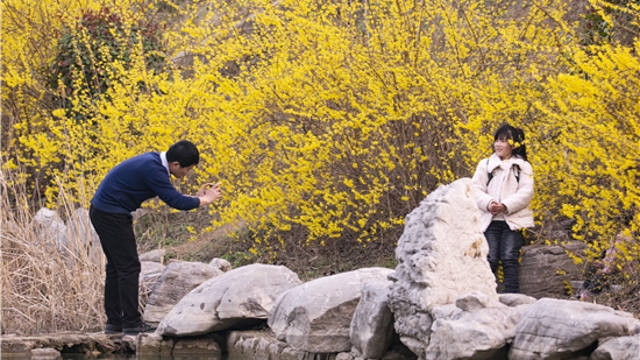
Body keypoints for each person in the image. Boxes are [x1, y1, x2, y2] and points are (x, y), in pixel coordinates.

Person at [89, 140, 222, 337]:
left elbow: (171, 195)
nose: (188, 174)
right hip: (111, 214)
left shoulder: (153, 163)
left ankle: (116, 323)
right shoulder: (154, 170)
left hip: (103, 211)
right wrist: (206, 200)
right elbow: (176, 202)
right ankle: (131, 325)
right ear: (175, 164)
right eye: (188, 169)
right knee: (128, 267)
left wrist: (196, 197)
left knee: (117, 268)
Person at [472, 124, 534, 293]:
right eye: (498, 140)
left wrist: (505, 206)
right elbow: (475, 189)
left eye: (504, 141)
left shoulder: (522, 167)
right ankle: (484, 296)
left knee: (509, 258)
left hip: (512, 221)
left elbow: (526, 192)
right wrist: (489, 203)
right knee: (489, 258)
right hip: (489, 221)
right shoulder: (485, 165)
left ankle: (513, 297)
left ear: (514, 145)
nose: (499, 145)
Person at [579, 230, 637, 301]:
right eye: (617, 239)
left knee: (602, 276)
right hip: (612, 272)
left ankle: (589, 294)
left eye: (620, 239)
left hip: (623, 276)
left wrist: (603, 271)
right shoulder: (612, 248)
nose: (618, 241)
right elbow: (607, 260)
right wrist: (600, 263)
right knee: (593, 270)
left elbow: (612, 265)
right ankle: (582, 292)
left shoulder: (624, 251)